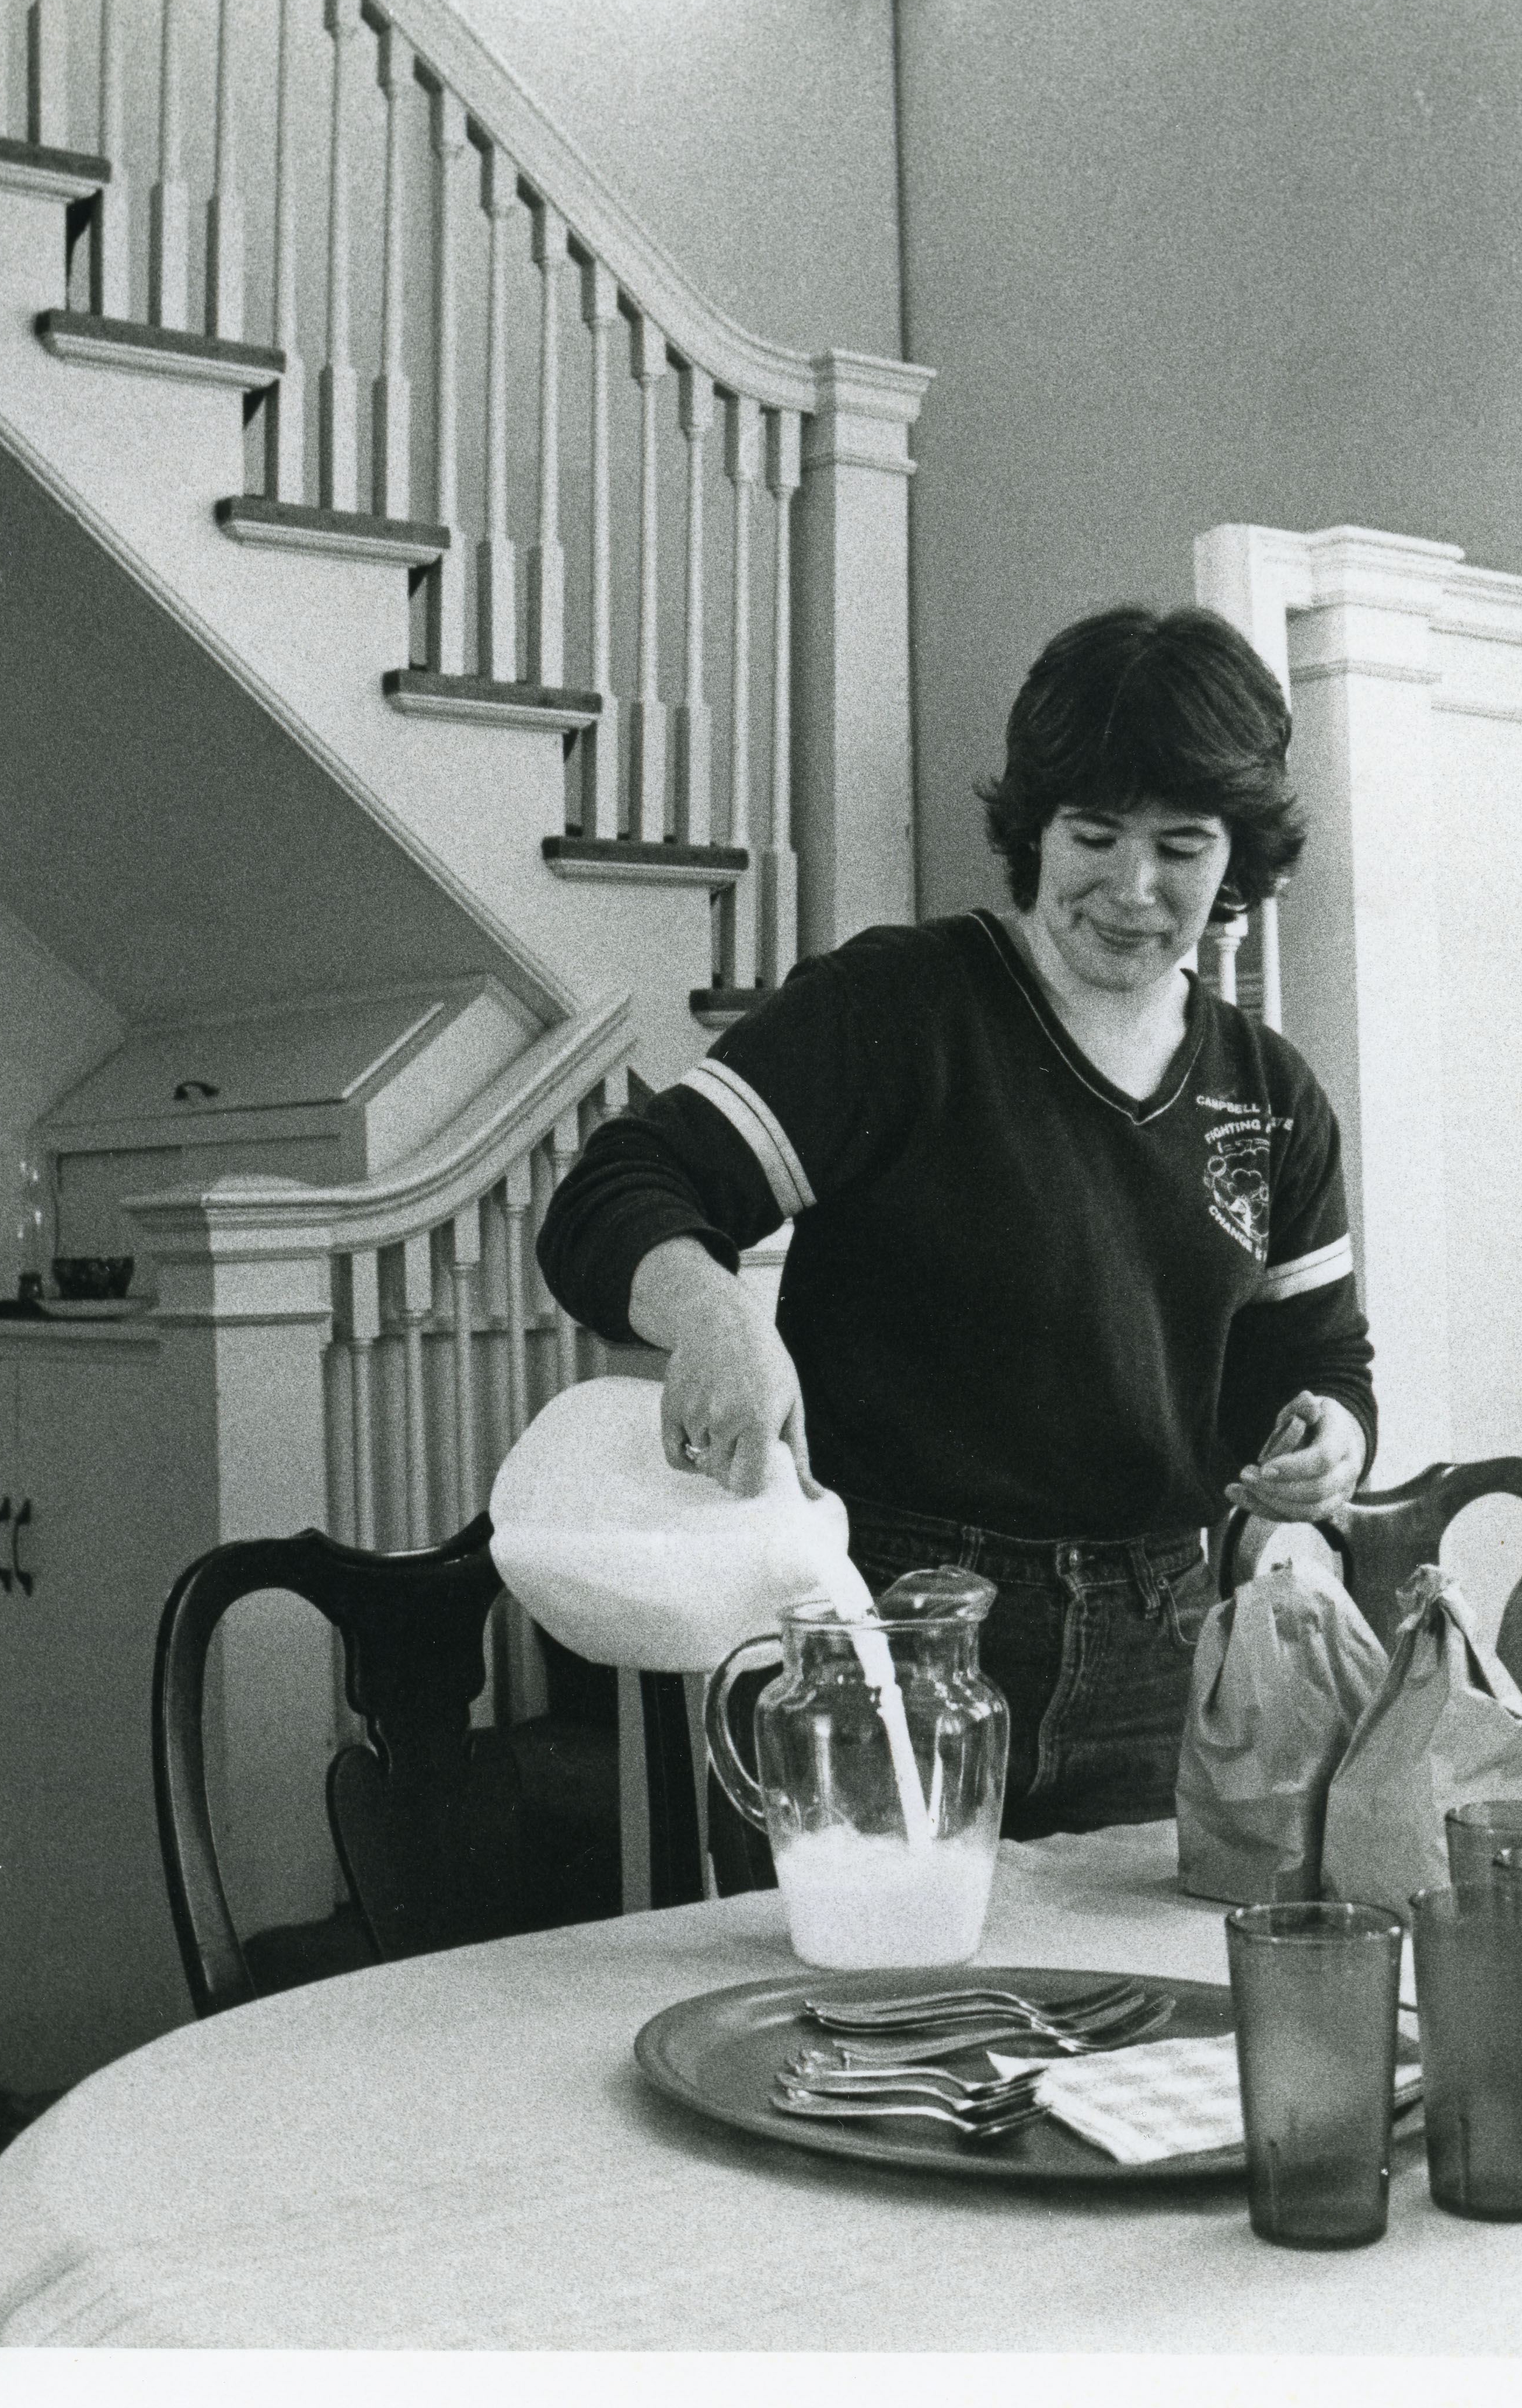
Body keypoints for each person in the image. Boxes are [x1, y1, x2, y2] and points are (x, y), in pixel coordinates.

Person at [539, 603, 1377, 1834]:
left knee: (1141, 2020)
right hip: (889, 1629)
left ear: (1238, 857)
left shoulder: (1271, 1091)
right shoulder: (904, 1007)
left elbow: (1318, 1362)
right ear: (1035, 826)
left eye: (1182, 846)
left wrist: (1332, 1440)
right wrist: (713, 1315)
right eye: (1095, 834)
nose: (1134, 889)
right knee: (874, 2016)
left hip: (1167, 1658)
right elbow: (613, 1187)